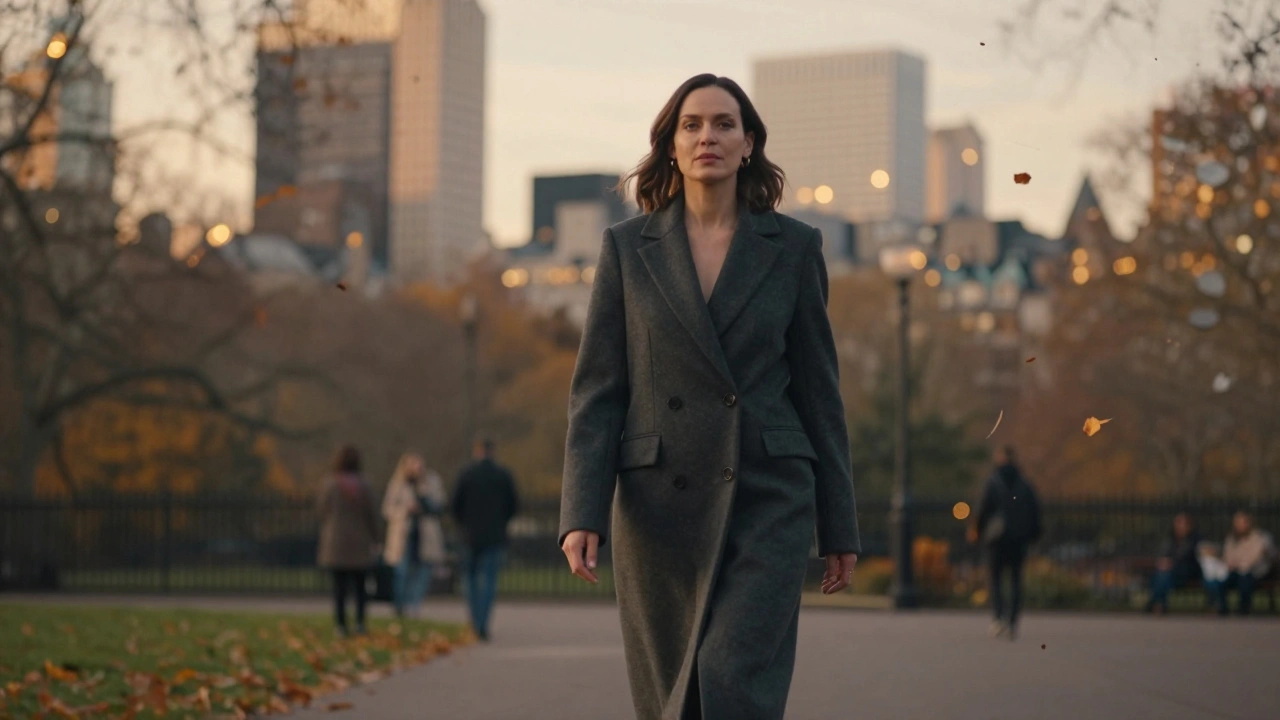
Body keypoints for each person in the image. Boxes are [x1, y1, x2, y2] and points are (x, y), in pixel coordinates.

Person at [559, 73, 860, 720]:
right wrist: (581, 510)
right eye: (691, 125)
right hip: (657, 502)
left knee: (732, 680)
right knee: (675, 696)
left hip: (769, 493)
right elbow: (598, 391)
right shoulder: (626, 249)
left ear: (748, 143)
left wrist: (838, 523)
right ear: (670, 146)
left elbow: (819, 392)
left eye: (724, 124)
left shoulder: (794, 248)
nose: (708, 137)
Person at [971, 446, 1042, 641]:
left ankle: (998, 618)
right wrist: (1033, 535)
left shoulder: (993, 482)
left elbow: (983, 510)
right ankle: (1012, 621)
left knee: (995, 579)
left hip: (996, 539)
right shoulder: (1024, 483)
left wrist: (977, 531)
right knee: (1015, 580)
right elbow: (1035, 512)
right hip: (1018, 539)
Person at [451, 438, 519, 641]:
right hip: (495, 534)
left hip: (470, 535)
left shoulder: (467, 474)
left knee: (470, 578)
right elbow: (513, 505)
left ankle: (474, 620)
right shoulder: (503, 475)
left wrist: (464, 524)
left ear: (477, 451)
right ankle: (483, 623)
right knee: (489, 580)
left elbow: (456, 505)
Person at [317, 444, 379, 637]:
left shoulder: (330, 485)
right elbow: (372, 515)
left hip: (336, 543)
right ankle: (360, 623)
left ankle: (341, 625)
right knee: (361, 588)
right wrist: (376, 538)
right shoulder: (365, 485)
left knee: (339, 589)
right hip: (359, 542)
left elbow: (321, 511)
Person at [382, 453, 447, 618]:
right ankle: (400, 605)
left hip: (426, 535)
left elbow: (439, 506)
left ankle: (414, 605)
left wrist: (423, 498)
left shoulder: (431, 482)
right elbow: (387, 509)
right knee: (402, 572)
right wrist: (405, 510)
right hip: (404, 534)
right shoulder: (397, 484)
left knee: (422, 572)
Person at [1217, 510, 1277, 616]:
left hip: (1255, 571)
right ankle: (1223, 608)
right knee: (1222, 583)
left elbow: (1256, 557)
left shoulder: (1261, 537)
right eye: (1237, 523)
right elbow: (1227, 555)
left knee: (1245, 581)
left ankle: (1243, 609)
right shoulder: (1232, 538)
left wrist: (1242, 564)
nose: (1240, 526)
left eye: (1243, 522)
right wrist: (1231, 563)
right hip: (1235, 570)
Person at [1144, 511, 1202, 614]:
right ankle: (1160, 603)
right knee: (1161, 576)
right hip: (1170, 572)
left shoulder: (1193, 540)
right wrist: (1164, 562)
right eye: (1177, 523)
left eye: (1181, 524)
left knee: (1162, 577)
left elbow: (1187, 557)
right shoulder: (1171, 539)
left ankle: (1155, 602)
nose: (1179, 527)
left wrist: (1171, 563)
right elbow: (1164, 553)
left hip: (1185, 572)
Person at [1197, 541, 1229, 608]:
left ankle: (1219, 605)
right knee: (1212, 584)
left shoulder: (1217, 561)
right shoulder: (1203, 560)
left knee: (1219, 584)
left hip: (1218, 579)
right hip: (1208, 579)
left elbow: (1222, 572)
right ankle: (1214, 603)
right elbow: (1208, 574)